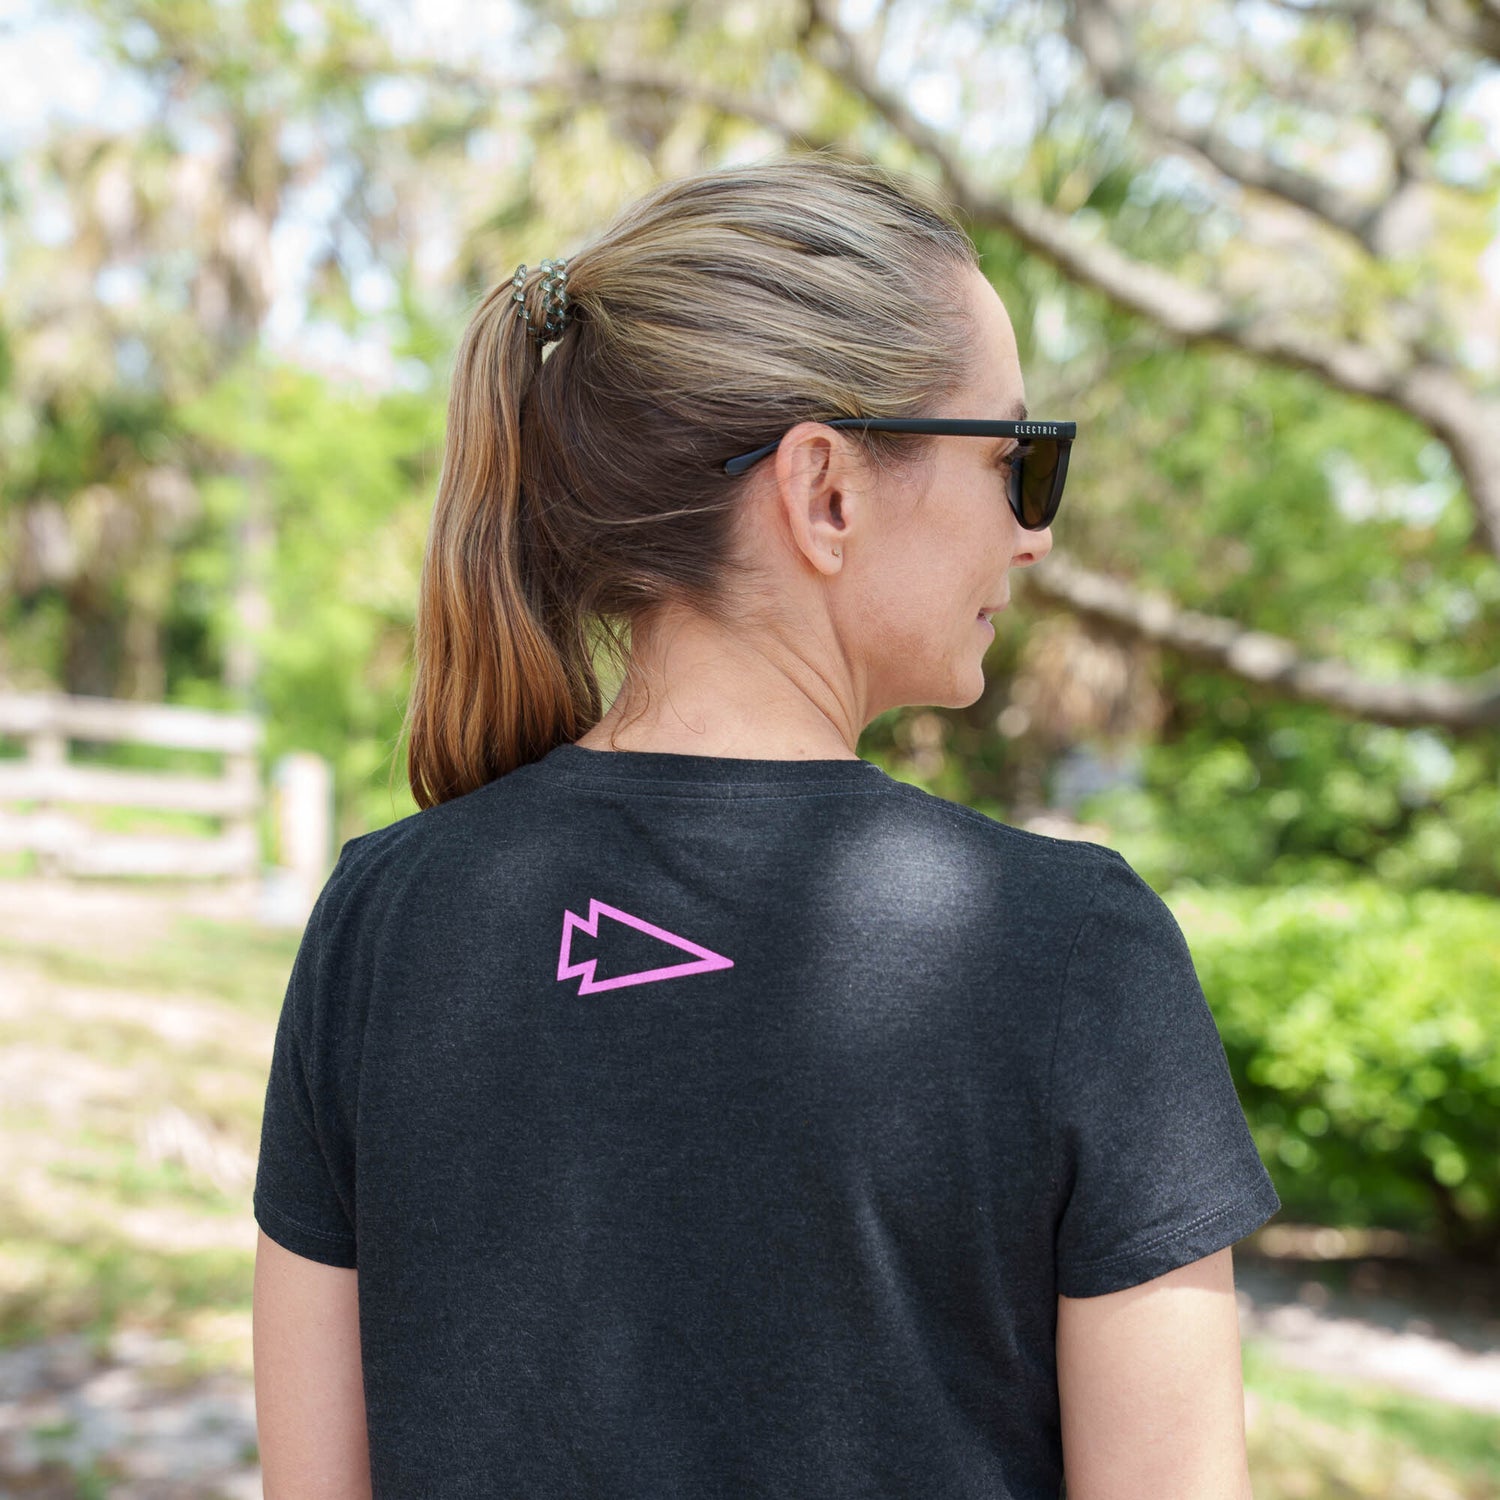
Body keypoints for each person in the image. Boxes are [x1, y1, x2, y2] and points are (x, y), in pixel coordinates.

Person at [251, 152, 1280, 1500]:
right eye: (1016, 460)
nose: (1032, 536)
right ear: (825, 491)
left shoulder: (382, 920)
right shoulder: (1076, 953)